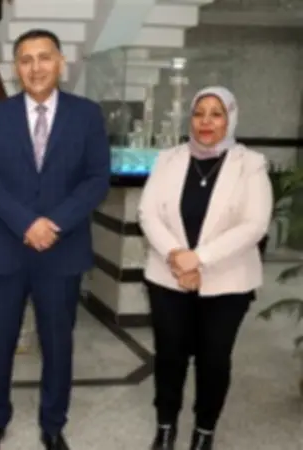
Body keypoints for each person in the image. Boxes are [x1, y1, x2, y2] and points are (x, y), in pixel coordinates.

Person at [0, 29, 111, 450]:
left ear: (60, 63)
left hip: (62, 252)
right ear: (16, 68)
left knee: (57, 344)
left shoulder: (87, 115)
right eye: (26, 60)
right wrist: (26, 223)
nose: (36, 68)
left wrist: (54, 223)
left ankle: (52, 424)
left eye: (44, 57)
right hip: (6, 249)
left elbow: (96, 179)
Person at [138, 86, 272, 450]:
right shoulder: (168, 159)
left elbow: (254, 224)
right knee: (170, 356)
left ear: (231, 118)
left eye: (216, 114)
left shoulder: (250, 164)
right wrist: (176, 255)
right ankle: (165, 426)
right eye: (199, 113)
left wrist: (198, 259)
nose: (206, 122)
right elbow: (147, 213)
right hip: (168, 276)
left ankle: (204, 431)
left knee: (213, 359)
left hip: (227, 280)